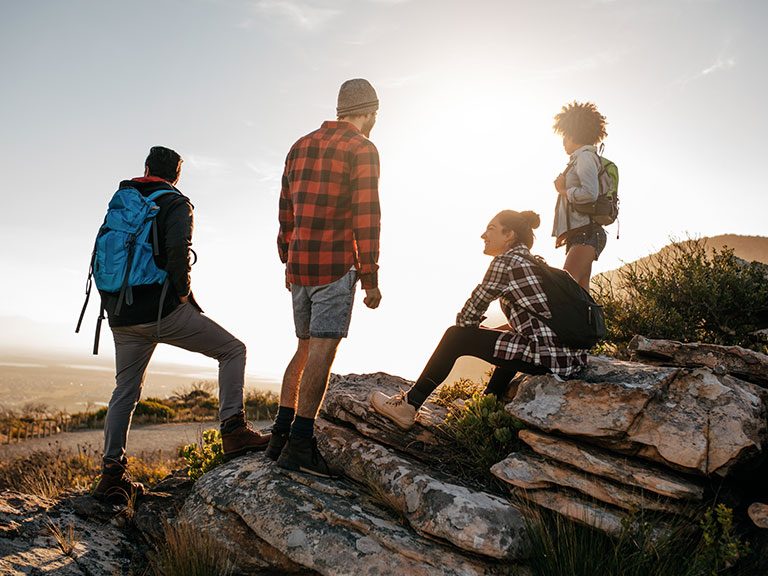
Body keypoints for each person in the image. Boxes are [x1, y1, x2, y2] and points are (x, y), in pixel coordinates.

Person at [93, 146, 270, 503]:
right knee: (233, 350)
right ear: (176, 176)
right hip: (164, 312)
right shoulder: (176, 203)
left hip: (120, 315)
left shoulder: (122, 201)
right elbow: (178, 253)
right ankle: (234, 432)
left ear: (145, 168)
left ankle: (112, 475)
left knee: (124, 393)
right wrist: (184, 295)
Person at [370, 210, 587, 430]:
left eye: (491, 229)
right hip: (568, 357)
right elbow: (536, 322)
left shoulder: (506, 262)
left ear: (509, 235)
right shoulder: (534, 262)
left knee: (455, 336)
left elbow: (466, 319)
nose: (484, 235)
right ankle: (488, 404)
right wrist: (485, 332)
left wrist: (473, 331)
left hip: (548, 358)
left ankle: (409, 406)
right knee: (510, 339)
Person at [270, 79, 383, 476]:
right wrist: (369, 278)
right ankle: (300, 444)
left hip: (299, 266)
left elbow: (286, 213)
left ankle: (279, 435)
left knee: (303, 347)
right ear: (370, 112)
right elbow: (367, 218)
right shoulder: (362, 149)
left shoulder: (299, 146)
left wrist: (287, 260)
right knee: (322, 352)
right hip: (334, 265)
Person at [552, 101, 609, 290]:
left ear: (572, 133)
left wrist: (563, 190)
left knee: (564, 288)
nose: (563, 141)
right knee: (580, 295)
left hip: (587, 234)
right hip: (583, 234)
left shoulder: (584, 157)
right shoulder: (581, 159)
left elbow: (589, 193)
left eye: (564, 136)